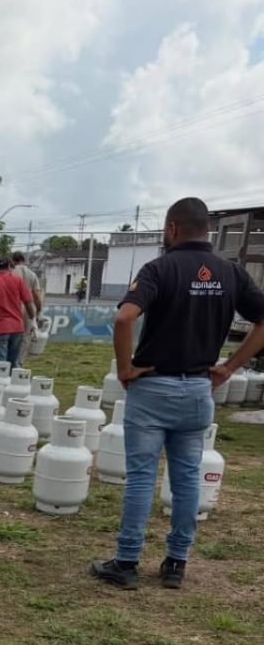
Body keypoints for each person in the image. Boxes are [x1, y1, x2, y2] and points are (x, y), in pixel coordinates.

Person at [91, 196, 264, 590]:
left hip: (152, 387)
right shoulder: (230, 273)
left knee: (140, 477)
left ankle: (127, 561)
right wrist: (229, 367)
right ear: (206, 230)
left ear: (171, 229)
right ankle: (175, 563)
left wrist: (124, 367)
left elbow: (124, 317)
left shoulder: (159, 269)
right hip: (199, 389)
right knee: (187, 478)